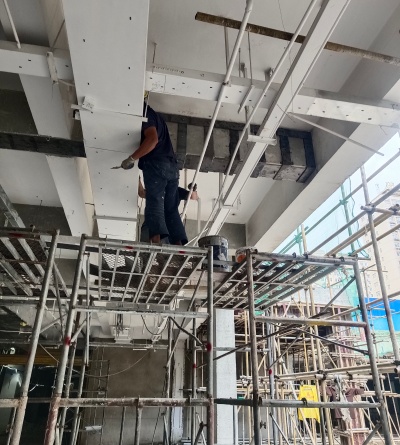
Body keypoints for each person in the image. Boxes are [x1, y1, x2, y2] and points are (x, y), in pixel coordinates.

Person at [121, 102, 188, 245]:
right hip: (172, 168)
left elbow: (152, 140)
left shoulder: (146, 114)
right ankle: (179, 246)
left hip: (156, 165)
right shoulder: (158, 118)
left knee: (155, 202)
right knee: (170, 208)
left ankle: (155, 243)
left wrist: (131, 159)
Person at [138, 178, 198, 243]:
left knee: (171, 242)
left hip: (169, 222)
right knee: (152, 240)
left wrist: (193, 189)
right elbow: (142, 193)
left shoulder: (175, 190)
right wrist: (137, 179)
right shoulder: (157, 189)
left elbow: (193, 196)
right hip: (156, 220)